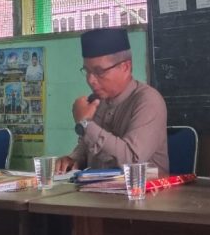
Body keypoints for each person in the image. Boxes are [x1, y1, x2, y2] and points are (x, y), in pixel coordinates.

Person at [55, 28, 169, 174]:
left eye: (99, 71)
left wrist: (85, 124)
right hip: (97, 187)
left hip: (142, 188)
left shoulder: (148, 101)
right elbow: (87, 147)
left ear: (125, 67)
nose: (90, 79)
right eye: (87, 71)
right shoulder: (97, 101)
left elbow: (132, 161)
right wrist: (73, 159)